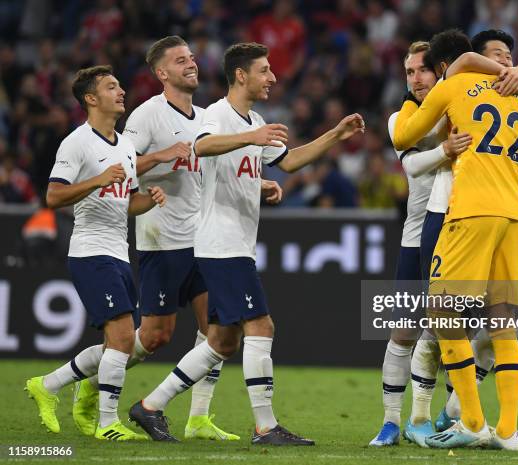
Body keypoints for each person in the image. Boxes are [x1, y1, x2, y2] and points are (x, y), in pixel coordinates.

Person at [128, 42, 364, 445]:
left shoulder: (253, 118)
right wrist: (251, 137)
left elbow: (288, 161)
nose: (272, 77)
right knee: (262, 326)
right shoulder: (219, 115)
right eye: (265, 70)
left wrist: (335, 135)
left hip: (235, 242)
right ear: (241, 75)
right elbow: (202, 146)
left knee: (222, 340)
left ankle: (149, 406)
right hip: (221, 245)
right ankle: (266, 427)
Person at [70, 35, 245, 442]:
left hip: (202, 239)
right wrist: (161, 156)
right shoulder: (147, 115)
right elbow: (123, 166)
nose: (192, 65)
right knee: (154, 336)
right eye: (181, 60)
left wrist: (259, 186)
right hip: (161, 238)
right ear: (162, 72)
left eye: (192, 58)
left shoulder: (206, 117)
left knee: (216, 329)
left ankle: (198, 416)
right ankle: (93, 382)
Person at [394, 28, 518, 451]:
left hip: (472, 210)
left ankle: (471, 421)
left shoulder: (452, 86)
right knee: (501, 319)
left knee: (440, 314)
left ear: (440, 67)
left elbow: (403, 137)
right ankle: (508, 431)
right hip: (517, 213)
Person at [25, 65, 166, 441]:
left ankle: (47, 384)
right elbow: (53, 197)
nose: (121, 91)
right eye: (111, 86)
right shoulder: (77, 142)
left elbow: (126, 203)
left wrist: (147, 201)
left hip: (119, 252)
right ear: (91, 98)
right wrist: (98, 179)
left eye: (120, 85)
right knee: (122, 337)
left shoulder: (124, 145)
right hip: (90, 251)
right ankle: (108, 424)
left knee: (114, 344)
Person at [368, 40, 472, 447]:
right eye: (409, 72)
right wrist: (445, 149)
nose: (415, 79)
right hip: (418, 235)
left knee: (458, 330)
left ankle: (445, 416)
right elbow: (410, 163)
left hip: (462, 229)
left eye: (422, 71)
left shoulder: (458, 105)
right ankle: (392, 422)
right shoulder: (402, 117)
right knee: (404, 331)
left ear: (441, 70)